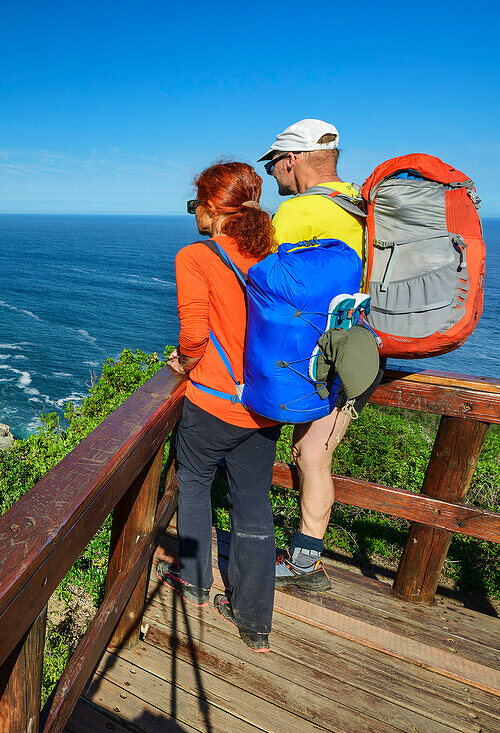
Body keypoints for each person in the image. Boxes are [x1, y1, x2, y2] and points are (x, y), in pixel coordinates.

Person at [158, 162, 282, 651]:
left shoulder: (196, 256)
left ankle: (195, 584)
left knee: (193, 486)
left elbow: (193, 334)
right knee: (252, 507)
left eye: (195, 206)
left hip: (213, 400)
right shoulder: (274, 252)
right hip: (265, 405)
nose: (193, 215)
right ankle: (255, 623)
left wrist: (184, 364)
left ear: (210, 209)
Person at [259, 119, 382, 591]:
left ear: (291, 160)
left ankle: (305, 563)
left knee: (311, 454)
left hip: (317, 359)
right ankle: (305, 557)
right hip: (359, 349)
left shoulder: (297, 214)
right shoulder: (362, 202)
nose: (273, 176)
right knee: (313, 451)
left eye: (273, 165)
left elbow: (263, 290)